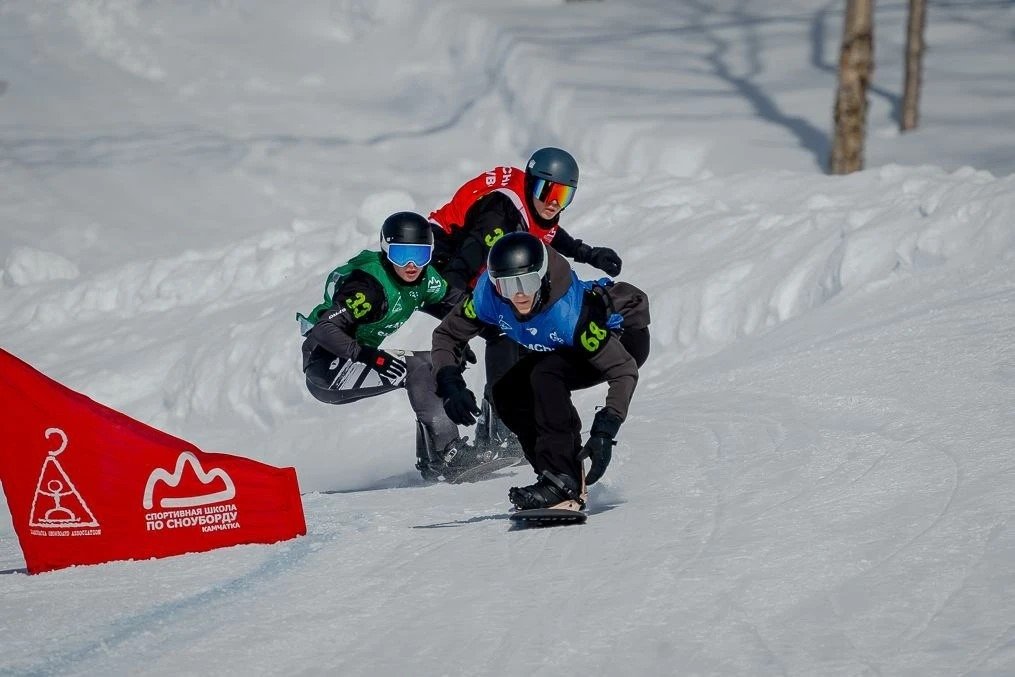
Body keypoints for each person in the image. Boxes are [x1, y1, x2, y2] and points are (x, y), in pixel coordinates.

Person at [430, 232, 650, 511]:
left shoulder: (569, 315)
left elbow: (623, 369)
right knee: (505, 392)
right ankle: (554, 476)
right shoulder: (488, 297)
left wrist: (606, 427)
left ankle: (563, 479)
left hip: (624, 341)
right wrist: (449, 381)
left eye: (528, 281)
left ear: (544, 277)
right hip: (562, 345)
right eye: (508, 285)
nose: (519, 294)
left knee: (545, 376)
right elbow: (447, 335)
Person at [428, 147, 624, 456]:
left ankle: (507, 420)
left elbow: (546, 233)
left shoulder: (530, 208)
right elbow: (458, 270)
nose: (553, 202)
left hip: (466, 271)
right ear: (530, 183)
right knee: (504, 327)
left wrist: (588, 253)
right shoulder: (499, 215)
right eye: (547, 190)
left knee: (521, 319)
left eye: (564, 195)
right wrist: (460, 327)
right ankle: (496, 432)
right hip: (438, 270)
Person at [298, 211, 479, 482]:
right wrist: (369, 356)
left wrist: (460, 337)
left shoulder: (425, 278)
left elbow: (458, 302)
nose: (410, 265)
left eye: (419, 255)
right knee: (420, 367)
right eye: (400, 254)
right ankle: (447, 455)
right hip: (327, 368)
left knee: (436, 360)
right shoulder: (369, 289)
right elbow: (324, 328)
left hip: (356, 358)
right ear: (385, 251)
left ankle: (434, 458)